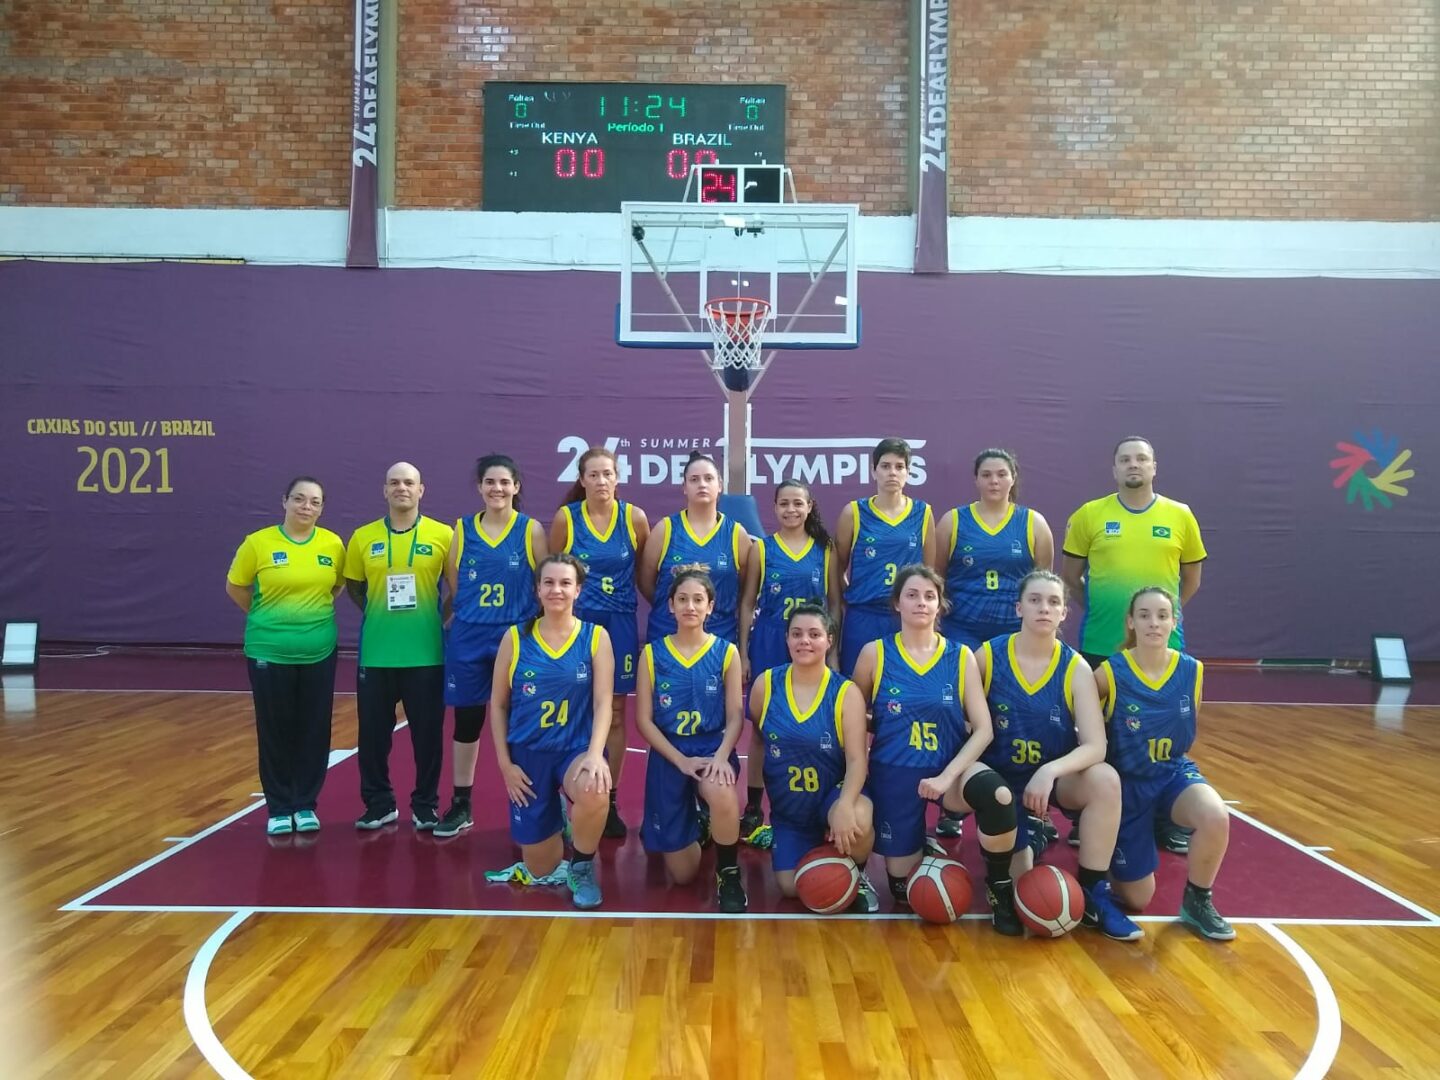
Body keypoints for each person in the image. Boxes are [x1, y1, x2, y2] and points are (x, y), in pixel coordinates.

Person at [849, 566, 1024, 934]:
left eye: (929, 596)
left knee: (1000, 795)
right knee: (903, 889)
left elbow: (984, 728)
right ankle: (916, 845)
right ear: (897, 603)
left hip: (950, 772)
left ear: (940, 605)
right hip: (895, 771)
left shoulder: (960, 656)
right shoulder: (874, 654)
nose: (921, 603)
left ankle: (999, 888)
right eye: (912, 595)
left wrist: (947, 776)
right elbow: (851, 715)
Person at [976, 570, 1143, 940]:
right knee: (1023, 887)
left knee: (1105, 780)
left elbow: (1096, 746)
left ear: (1065, 613)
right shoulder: (987, 656)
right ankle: (1019, 844)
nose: (1044, 608)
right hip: (999, 783)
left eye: (1053, 602)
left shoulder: (1075, 667)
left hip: (1051, 781)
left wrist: (1049, 771)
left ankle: (1093, 892)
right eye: (1034, 600)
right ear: (1018, 607)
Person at [1060, 436, 1206, 854]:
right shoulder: (1090, 515)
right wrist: (1112, 614)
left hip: (1162, 651)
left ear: (1155, 467)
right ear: (1114, 469)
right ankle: (1088, 811)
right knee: (1096, 733)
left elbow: (1190, 580)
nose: (1133, 465)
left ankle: (1165, 817)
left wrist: (1156, 622)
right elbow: (1071, 576)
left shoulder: (1180, 516)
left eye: (1141, 458)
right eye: (1125, 459)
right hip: (1102, 643)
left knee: (1164, 735)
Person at [1099, 586, 1234, 940]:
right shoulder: (1111, 672)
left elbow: (1188, 727)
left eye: (1162, 615)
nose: (1153, 623)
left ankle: (1198, 901)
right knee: (1137, 899)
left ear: (1175, 621)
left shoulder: (1193, 671)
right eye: (1144, 615)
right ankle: (1104, 842)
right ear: (1131, 622)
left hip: (1172, 773)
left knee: (1215, 816)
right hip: (1128, 786)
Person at [933, 449, 1054, 841]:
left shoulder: (1033, 524)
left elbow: (1044, 586)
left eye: (1001, 474)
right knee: (962, 718)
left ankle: (1032, 806)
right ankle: (952, 804)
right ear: (976, 479)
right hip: (964, 633)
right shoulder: (953, 521)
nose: (994, 481)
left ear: (1013, 478)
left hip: (1013, 638)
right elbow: (936, 580)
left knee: (1021, 716)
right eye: (986, 474)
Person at [488, 553, 615, 909]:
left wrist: (594, 754)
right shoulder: (515, 638)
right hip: (528, 755)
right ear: (537, 590)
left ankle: (582, 865)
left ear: (578, 590)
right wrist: (505, 766)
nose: (556, 590)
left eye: (565, 583)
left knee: (595, 787)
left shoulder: (595, 637)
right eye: (549, 583)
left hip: (574, 749)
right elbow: (498, 705)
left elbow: (604, 703)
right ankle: (556, 810)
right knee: (541, 869)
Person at [225, 476, 345, 836]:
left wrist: (309, 618)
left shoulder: (332, 544)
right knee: (275, 729)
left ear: (322, 508)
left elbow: (336, 586)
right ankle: (278, 807)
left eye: (314, 502)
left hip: (319, 651)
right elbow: (236, 587)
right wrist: (268, 618)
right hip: (268, 651)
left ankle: (306, 804)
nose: (306, 507)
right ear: (285, 502)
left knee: (314, 728)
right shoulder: (258, 543)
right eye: (299, 499)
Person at [437, 454, 548, 838]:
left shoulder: (530, 530)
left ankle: (538, 803)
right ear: (480, 487)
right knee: (467, 721)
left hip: (515, 635)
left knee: (522, 722)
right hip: (469, 635)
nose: (497, 489)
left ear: (516, 487)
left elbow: (545, 583)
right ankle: (462, 803)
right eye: (490, 482)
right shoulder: (463, 530)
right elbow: (455, 580)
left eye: (505, 482)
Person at [344, 462, 454, 831]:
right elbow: (356, 589)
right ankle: (379, 804)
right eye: (394, 482)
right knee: (372, 736)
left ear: (422, 490)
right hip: (377, 654)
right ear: (384, 490)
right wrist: (382, 614)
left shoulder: (444, 535)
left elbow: (456, 588)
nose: (401, 488)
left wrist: (432, 618)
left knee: (427, 736)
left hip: (426, 653)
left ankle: (425, 804)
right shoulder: (362, 537)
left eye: (409, 482)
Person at [750, 604, 880, 913]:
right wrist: (752, 805)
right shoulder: (765, 685)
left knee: (859, 818)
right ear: (787, 639)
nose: (804, 641)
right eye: (796, 634)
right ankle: (821, 849)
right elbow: (757, 743)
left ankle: (858, 874)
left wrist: (846, 804)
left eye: (814, 634)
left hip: (831, 796)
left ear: (829, 640)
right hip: (791, 811)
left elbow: (857, 760)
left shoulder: (845, 692)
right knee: (792, 887)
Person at [634, 568, 747, 912]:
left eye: (698, 600)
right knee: (683, 875)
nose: (690, 606)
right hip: (670, 753)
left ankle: (728, 873)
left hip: (712, 747)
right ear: (670, 605)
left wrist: (721, 756)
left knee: (722, 791)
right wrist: (680, 760)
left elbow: (735, 716)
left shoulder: (726, 652)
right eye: (682, 599)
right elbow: (643, 720)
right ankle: (698, 824)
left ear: (711, 606)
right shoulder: (652, 654)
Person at [551, 446, 650, 839]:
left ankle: (607, 799)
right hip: (579, 626)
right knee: (576, 707)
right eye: (593, 475)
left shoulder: (634, 518)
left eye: (607, 474)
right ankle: (569, 792)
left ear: (617, 477)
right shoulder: (566, 520)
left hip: (621, 623)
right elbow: (554, 575)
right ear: (582, 479)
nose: (601, 481)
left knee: (617, 711)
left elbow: (645, 575)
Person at [736, 478, 840, 846]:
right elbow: (748, 602)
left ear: (810, 506)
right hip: (770, 640)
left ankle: (818, 803)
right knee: (764, 727)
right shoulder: (761, 549)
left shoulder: (825, 550)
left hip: (812, 644)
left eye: (798, 503)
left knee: (817, 725)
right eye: (784, 504)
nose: (792, 510)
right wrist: (746, 651)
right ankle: (753, 806)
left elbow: (834, 603)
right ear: (775, 508)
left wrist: (835, 651)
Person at [836, 438, 935, 676]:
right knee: (857, 689)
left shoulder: (923, 513)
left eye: (899, 467)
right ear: (873, 471)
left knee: (902, 685)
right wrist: (853, 595)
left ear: (908, 472)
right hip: (864, 615)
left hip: (905, 617)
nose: (893, 472)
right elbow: (835, 568)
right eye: (886, 466)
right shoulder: (854, 512)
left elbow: (930, 573)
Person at [638, 451, 750, 647]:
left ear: (720, 485)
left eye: (709, 478)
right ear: (684, 487)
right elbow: (646, 583)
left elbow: (746, 591)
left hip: (719, 636)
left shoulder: (736, 534)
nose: (702, 485)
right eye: (694, 479)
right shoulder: (665, 530)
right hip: (667, 634)